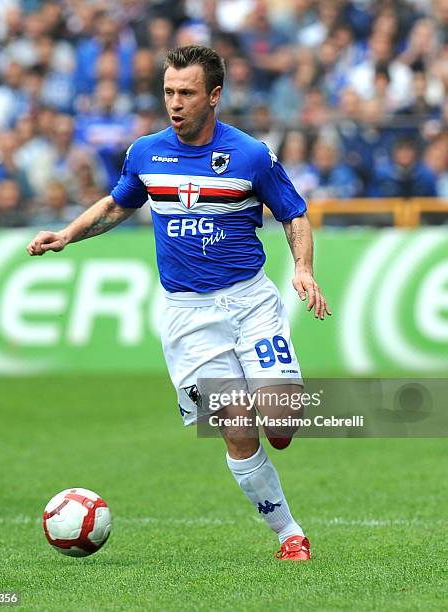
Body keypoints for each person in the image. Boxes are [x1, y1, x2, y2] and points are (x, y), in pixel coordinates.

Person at [27, 45, 331, 562]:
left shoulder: (251, 155)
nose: (175, 102)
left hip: (250, 302)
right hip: (188, 318)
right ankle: (289, 534)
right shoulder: (146, 152)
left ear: (214, 95)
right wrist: (68, 235)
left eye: (186, 93)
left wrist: (302, 269)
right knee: (237, 429)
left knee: (280, 424)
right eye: (169, 91)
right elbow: (118, 202)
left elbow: (294, 213)